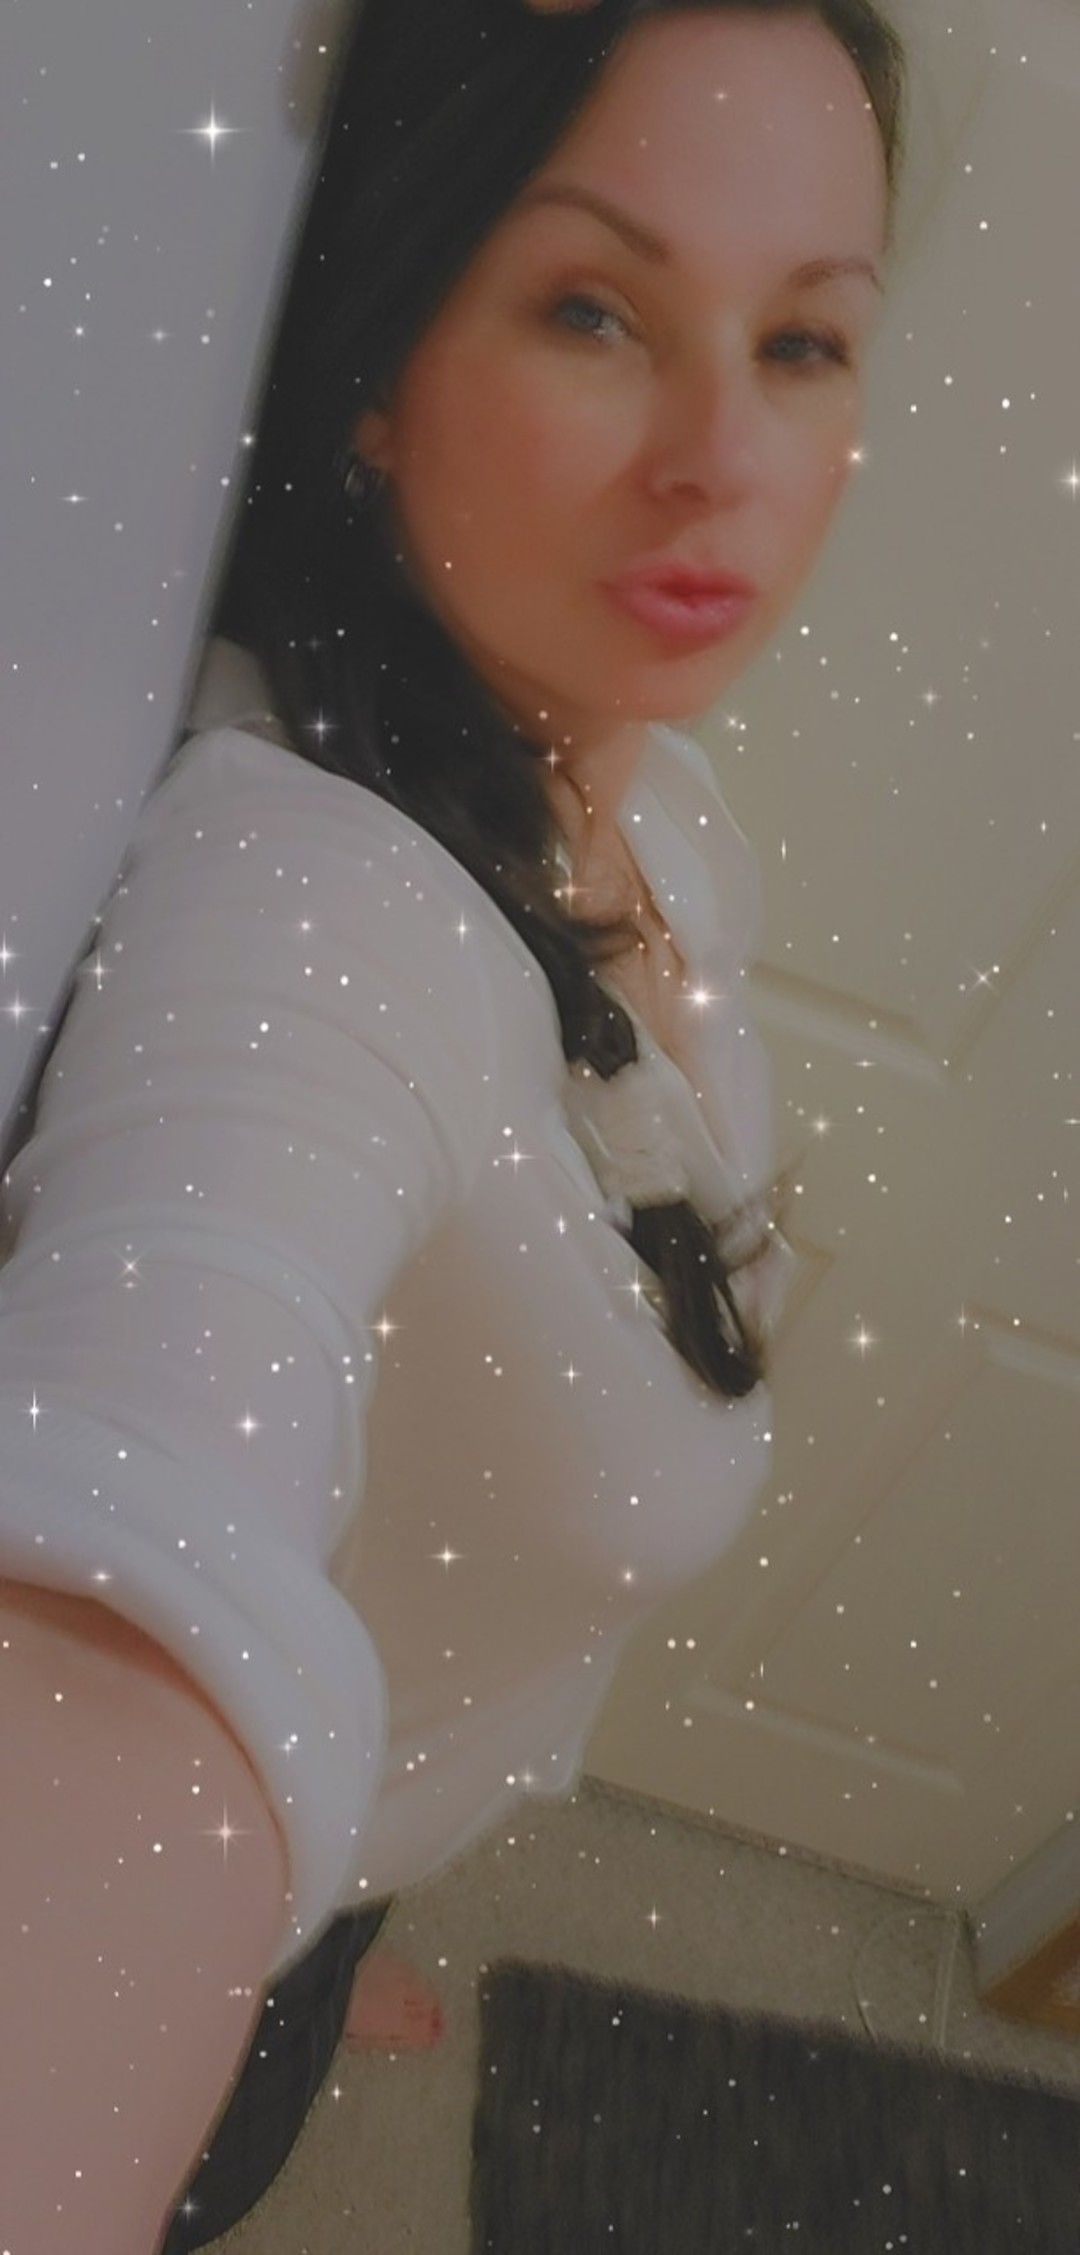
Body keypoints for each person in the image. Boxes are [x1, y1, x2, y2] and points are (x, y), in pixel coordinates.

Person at [0, 0, 906, 2245]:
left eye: (804, 342)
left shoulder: (653, 803)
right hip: (243, 1964)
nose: (724, 457)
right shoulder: (310, 905)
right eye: (596, 309)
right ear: (382, 362)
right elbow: (141, 1513)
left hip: (361, 1857)